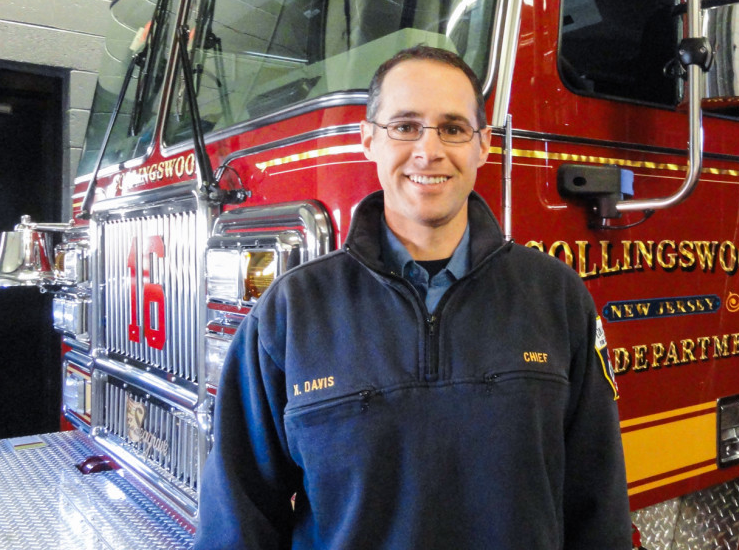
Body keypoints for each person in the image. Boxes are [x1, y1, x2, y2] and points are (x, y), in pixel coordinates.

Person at [194, 45, 631, 549]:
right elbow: (239, 517)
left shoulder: (556, 296)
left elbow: (597, 506)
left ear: (483, 145)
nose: (429, 150)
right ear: (368, 141)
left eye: (452, 128)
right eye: (404, 126)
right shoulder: (291, 312)